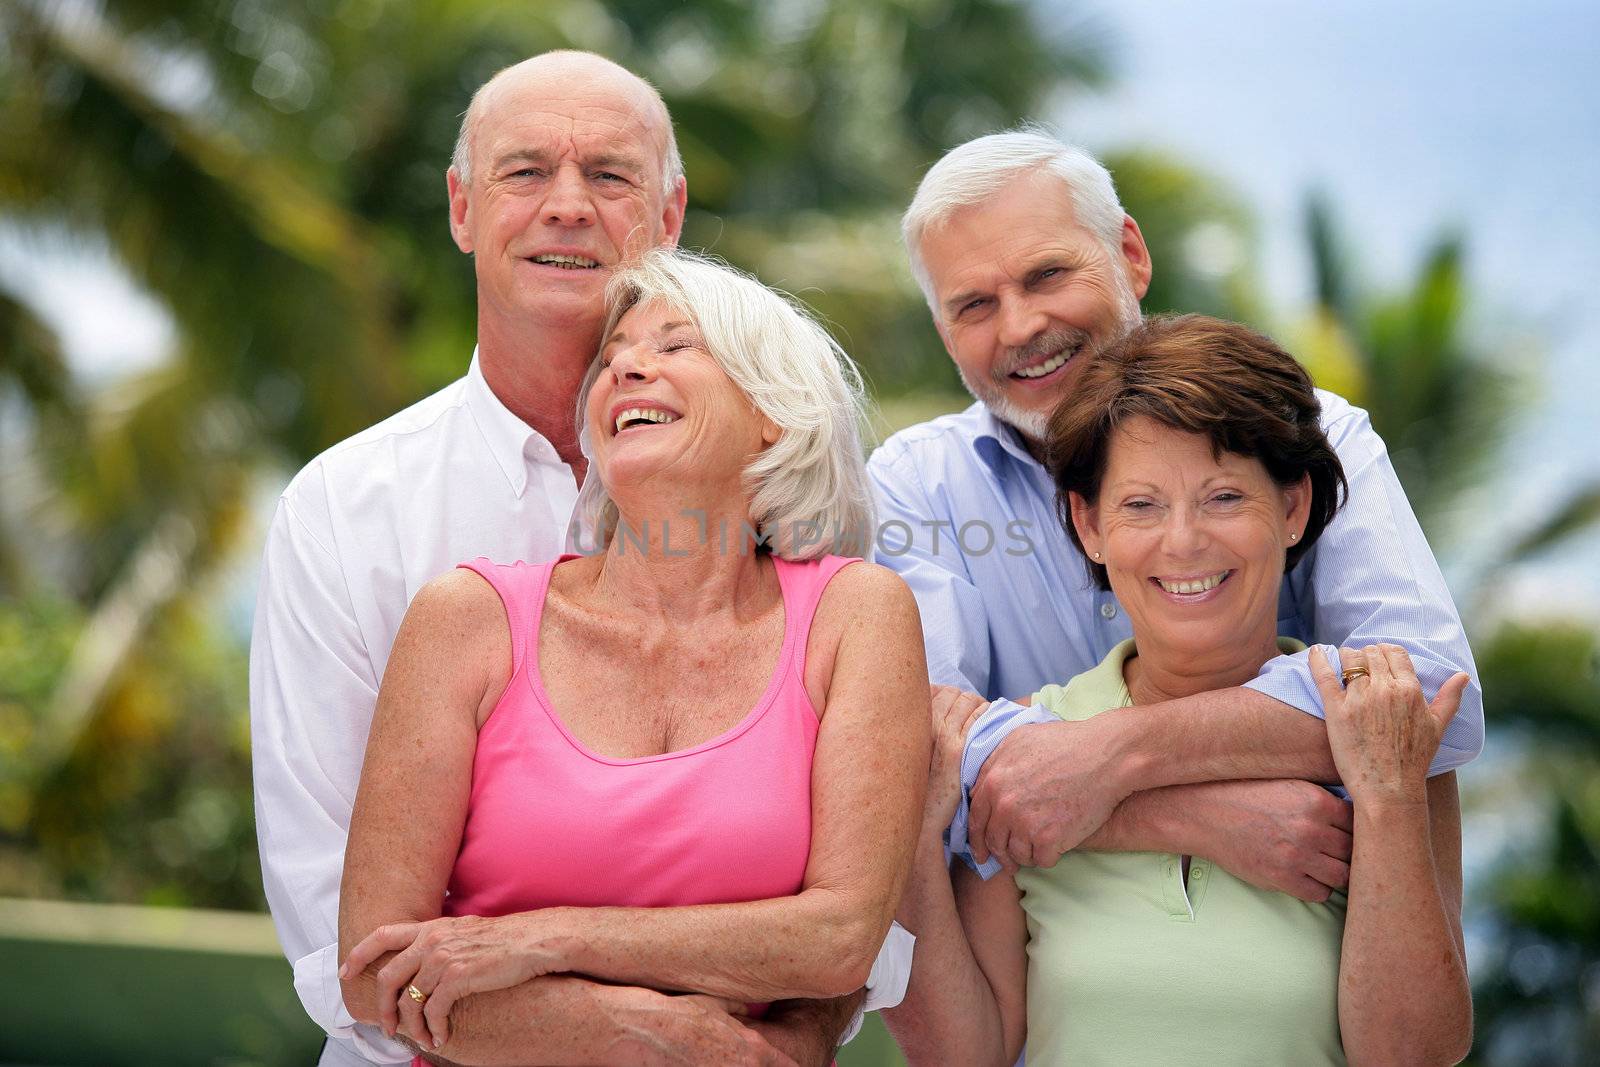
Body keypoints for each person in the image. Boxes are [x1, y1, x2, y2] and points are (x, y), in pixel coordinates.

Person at [251, 52, 906, 1067]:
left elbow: (852, 914)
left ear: (670, 211)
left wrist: (796, 1026)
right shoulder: (345, 510)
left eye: (609, 174)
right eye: (523, 172)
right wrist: (653, 1030)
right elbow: (360, 951)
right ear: (463, 210)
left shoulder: (834, 575)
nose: (567, 205)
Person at [334, 249, 928, 1066]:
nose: (627, 369)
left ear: (774, 414)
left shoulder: (856, 613)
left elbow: (839, 938)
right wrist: (643, 1031)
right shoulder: (466, 620)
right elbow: (375, 972)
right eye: (611, 361)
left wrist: (542, 940)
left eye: (676, 346)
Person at [867, 130, 1483, 895]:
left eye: (1048, 273)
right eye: (976, 305)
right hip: (1033, 987)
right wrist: (1192, 817)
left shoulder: (1308, 436)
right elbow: (917, 760)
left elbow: (1433, 697)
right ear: (943, 333)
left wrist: (1120, 751)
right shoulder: (914, 486)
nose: (1020, 326)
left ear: (1130, 254)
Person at [891, 314, 1472, 1065]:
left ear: (1293, 509)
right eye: (1141, 505)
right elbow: (966, 1053)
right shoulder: (1030, 756)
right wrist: (908, 844)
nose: (1185, 539)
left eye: (1225, 496)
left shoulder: (1380, 730)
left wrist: (1390, 801)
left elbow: (1413, 1053)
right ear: (1088, 522)